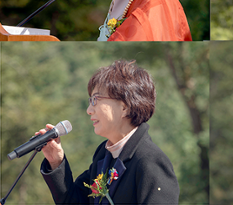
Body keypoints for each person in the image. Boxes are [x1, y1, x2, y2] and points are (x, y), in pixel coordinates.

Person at [38, 60, 180, 204]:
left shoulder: (150, 160)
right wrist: (56, 161)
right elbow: (74, 201)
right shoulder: (103, 154)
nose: (89, 110)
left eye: (95, 100)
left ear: (124, 107)